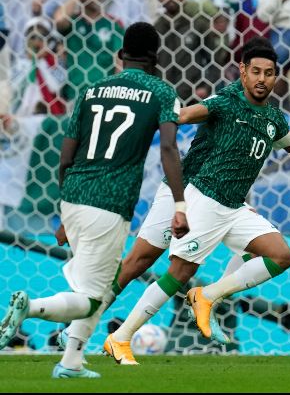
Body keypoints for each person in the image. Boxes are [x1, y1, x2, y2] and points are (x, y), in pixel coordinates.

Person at [103, 38, 290, 365]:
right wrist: (159, 116)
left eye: (269, 73)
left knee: (280, 255)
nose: (262, 79)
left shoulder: (273, 118)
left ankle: (208, 296)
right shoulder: (226, 102)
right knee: (176, 272)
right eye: (256, 71)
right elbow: (188, 114)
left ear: (276, 77)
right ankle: (120, 337)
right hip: (206, 198)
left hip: (234, 206)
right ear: (243, 72)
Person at [0, 22, 189, 379]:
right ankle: (30, 308)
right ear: (155, 58)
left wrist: (64, 214)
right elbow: (168, 147)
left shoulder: (91, 90)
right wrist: (180, 205)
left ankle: (71, 362)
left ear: (120, 55)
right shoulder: (162, 92)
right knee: (92, 299)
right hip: (110, 202)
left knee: (97, 286)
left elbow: (65, 156)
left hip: (74, 195)